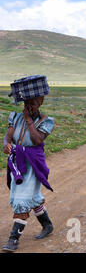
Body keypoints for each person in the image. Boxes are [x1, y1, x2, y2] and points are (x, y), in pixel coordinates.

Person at [2, 95, 55, 252]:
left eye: (33, 103)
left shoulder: (46, 121)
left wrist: (28, 120)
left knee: (22, 199)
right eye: (27, 103)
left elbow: (37, 139)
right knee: (31, 197)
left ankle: (13, 240)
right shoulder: (15, 117)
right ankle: (47, 225)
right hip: (18, 163)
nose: (29, 106)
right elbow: (8, 136)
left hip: (33, 165)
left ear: (40, 103)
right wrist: (6, 145)